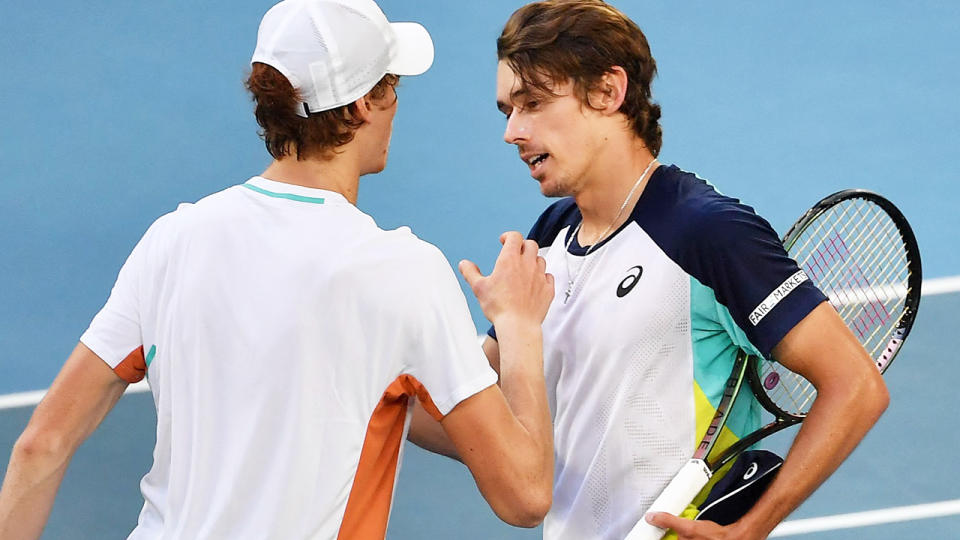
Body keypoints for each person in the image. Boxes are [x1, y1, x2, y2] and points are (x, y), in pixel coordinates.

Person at [0, 1, 556, 538]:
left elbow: (40, 445)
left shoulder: (172, 239)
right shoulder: (404, 271)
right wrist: (520, 325)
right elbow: (525, 495)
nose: (395, 105)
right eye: (392, 87)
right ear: (363, 104)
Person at [408, 1, 890, 539]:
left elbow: (855, 385)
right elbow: (482, 423)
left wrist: (752, 527)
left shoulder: (705, 231)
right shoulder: (551, 235)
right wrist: (381, 373)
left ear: (609, 91)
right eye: (507, 111)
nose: (512, 132)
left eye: (534, 103)